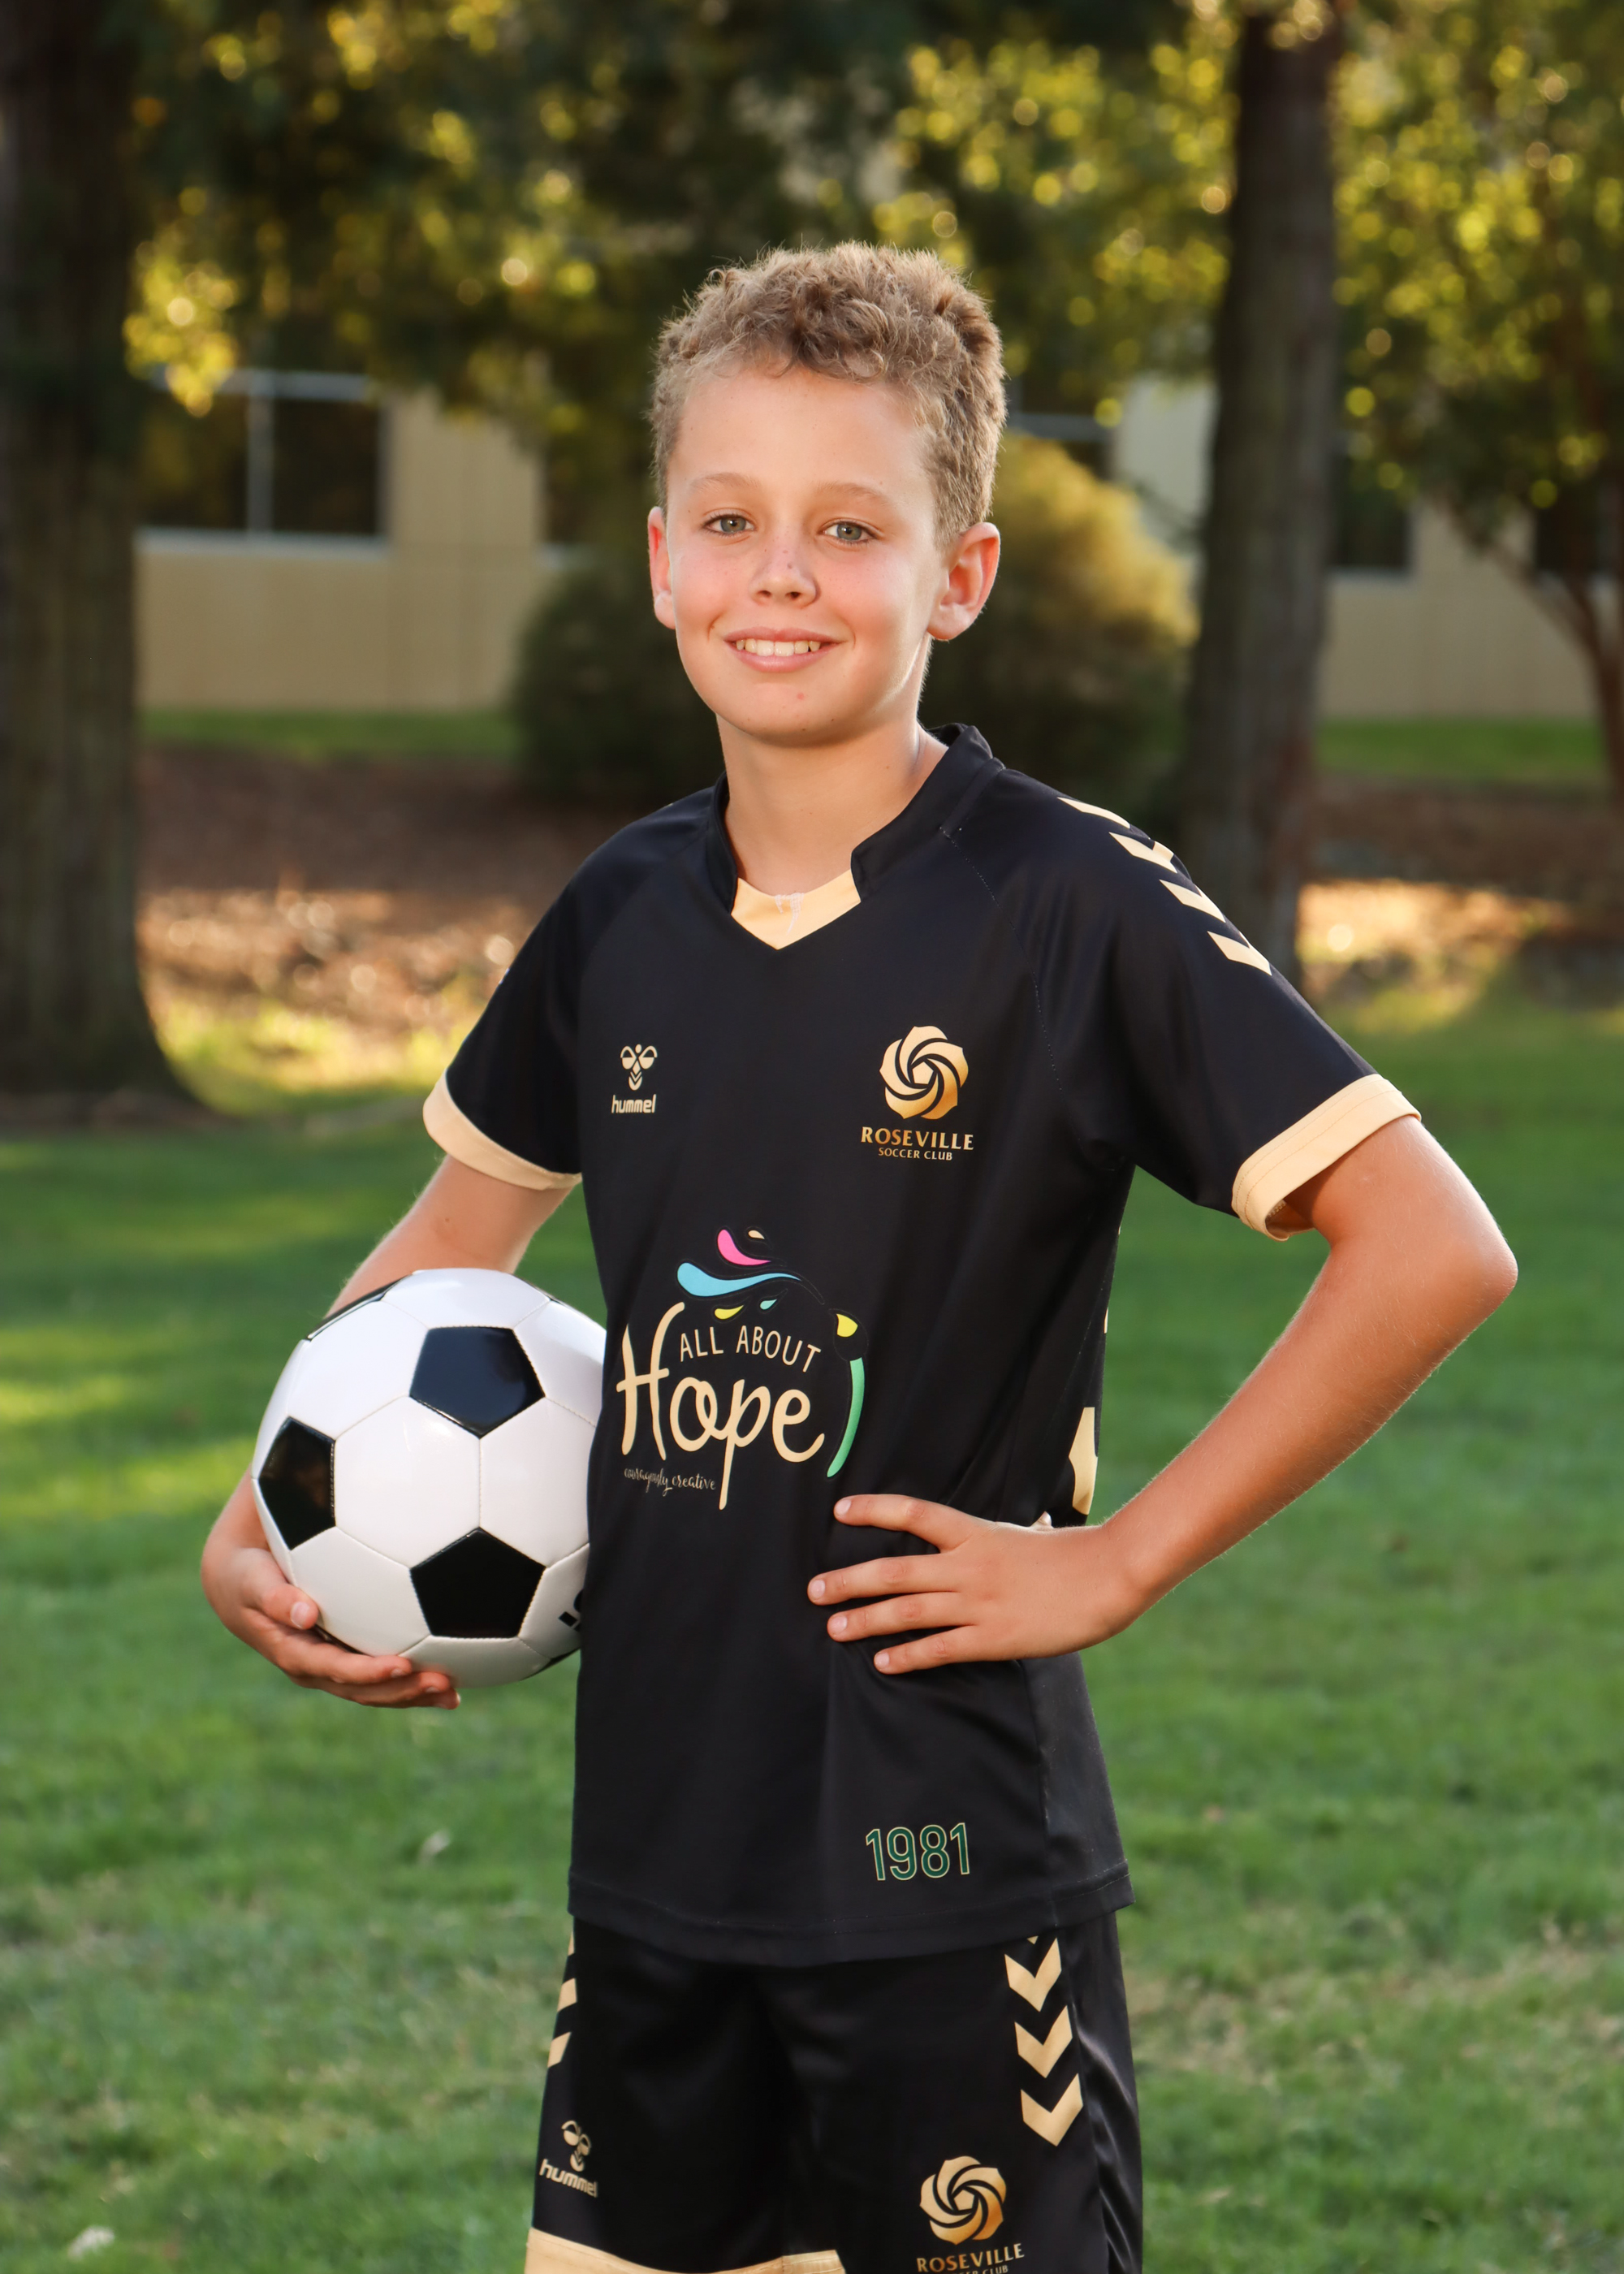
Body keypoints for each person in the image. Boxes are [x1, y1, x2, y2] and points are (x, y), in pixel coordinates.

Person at [201, 243, 1517, 2274]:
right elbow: (447, 1250)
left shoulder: (1068, 904)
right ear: (661, 561)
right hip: (655, 1862)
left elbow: (1431, 1241)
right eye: (730, 520)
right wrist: (264, 1507)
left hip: (946, 1877)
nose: (781, 575)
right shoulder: (621, 913)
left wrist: (1118, 1557)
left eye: (848, 527)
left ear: (957, 575)